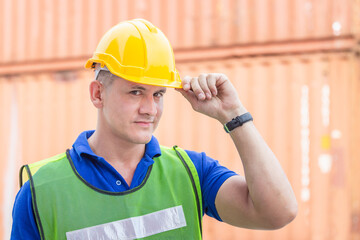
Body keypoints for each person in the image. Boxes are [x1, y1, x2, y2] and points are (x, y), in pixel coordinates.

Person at [11, 19, 297, 239]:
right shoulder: (41, 191)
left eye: (158, 94)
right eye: (136, 92)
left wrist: (233, 115)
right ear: (98, 94)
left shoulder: (190, 172)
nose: (151, 108)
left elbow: (277, 213)